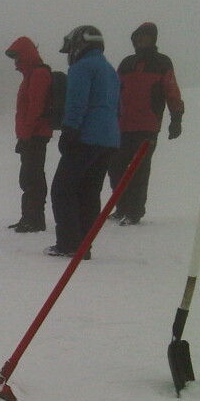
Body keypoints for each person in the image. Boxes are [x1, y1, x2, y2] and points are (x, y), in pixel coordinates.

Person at [46, 25, 120, 259]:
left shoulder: (82, 68)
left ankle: (69, 243)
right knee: (89, 191)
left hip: (86, 136)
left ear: (80, 45)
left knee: (63, 189)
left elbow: (77, 102)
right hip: (108, 139)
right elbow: (118, 106)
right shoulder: (109, 70)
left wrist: (69, 130)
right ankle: (84, 244)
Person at [107, 22, 185, 225]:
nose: (141, 40)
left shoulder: (162, 62)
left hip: (148, 126)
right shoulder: (126, 63)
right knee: (116, 167)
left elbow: (171, 90)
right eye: (138, 37)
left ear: (153, 40)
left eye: (146, 37)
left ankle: (134, 211)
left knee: (139, 170)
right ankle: (122, 207)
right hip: (122, 125)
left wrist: (176, 117)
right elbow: (113, 91)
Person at [5, 37, 53, 233]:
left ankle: (34, 219)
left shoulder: (38, 74)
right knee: (29, 176)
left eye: (17, 57)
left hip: (35, 134)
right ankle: (30, 217)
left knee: (32, 177)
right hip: (32, 134)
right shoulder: (32, 75)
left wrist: (25, 134)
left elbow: (35, 107)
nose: (16, 63)